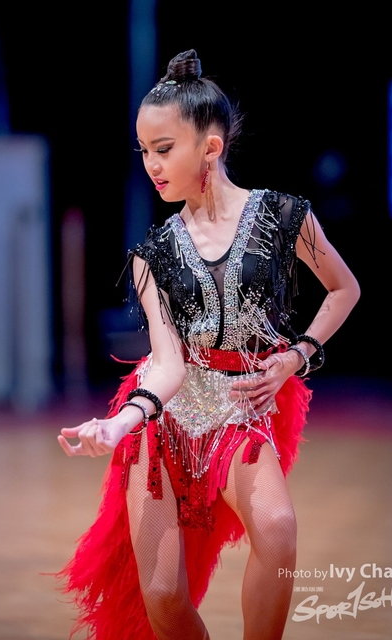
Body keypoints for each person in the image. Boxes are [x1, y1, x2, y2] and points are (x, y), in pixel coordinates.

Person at [56, 50, 360, 640]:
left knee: (277, 528)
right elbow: (167, 364)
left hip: (239, 412)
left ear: (211, 148)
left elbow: (344, 289)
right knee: (162, 597)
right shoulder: (152, 254)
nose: (151, 165)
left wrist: (295, 356)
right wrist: (119, 424)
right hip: (162, 420)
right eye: (143, 151)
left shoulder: (283, 216)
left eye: (164, 149)